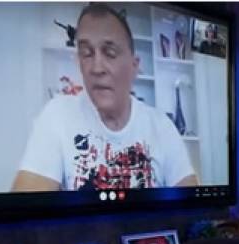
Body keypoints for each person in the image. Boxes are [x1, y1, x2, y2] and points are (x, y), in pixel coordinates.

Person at [12, 3, 198, 191]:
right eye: (86, 53)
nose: (96, 68)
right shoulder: (57, 115)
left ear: (134, 67)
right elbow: (26, 204)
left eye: (110, 53)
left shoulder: (162, 127)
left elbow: (193, 203)